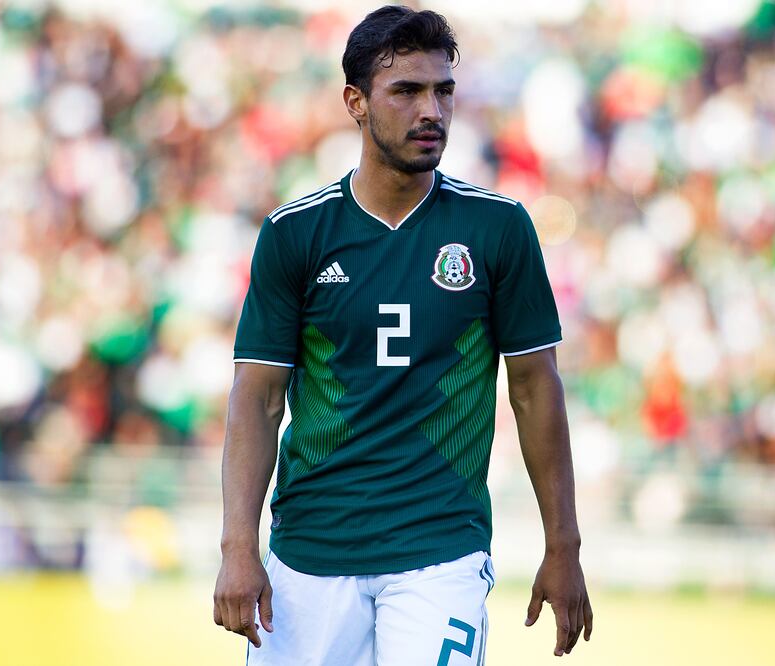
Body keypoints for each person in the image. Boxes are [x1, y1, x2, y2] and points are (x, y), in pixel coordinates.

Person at [213, 6, 592, 664]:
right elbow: (258, 397)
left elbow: (535, 388)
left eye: (443, 90)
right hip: (309, 554)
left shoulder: (497, 229)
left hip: (438, 551)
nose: (433, 111)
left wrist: (563, 547)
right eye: (407, 91)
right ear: (356, 103)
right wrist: (238, 547)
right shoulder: (295, 234)